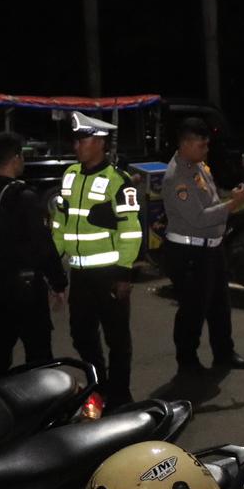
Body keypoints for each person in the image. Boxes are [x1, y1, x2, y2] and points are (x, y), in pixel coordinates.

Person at [51, 112, 142, 408]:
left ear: (100, 143)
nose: (77, 146)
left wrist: (124, 274)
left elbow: (131, 231)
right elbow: (59, 224)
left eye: (83, 140)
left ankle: (120, 395)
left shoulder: (118, 181)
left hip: (109, 275)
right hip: (79, 275)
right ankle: (99, 387)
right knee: (81, 335)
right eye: (76, 140)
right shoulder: (70, 175)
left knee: (118, 339)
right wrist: (52, 265)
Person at [0, 131, 67, 375]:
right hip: (27, 290)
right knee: (39, 356)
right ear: (16, 158)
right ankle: (37, 396)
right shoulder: (22, 197)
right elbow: (43, 245)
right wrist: (58, 283)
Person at [161, 118, 244, 375]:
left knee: (220, 305)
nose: (206, 150)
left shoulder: (198, 165)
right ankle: (187, 362)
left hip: (211, 248)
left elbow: (210, 200)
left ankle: (224, 353)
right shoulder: (177, 177)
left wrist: (229, 198)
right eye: (202, 145)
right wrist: (234, 204)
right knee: (193, 308)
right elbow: (199, 218)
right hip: (189, 252)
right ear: (186, 144)